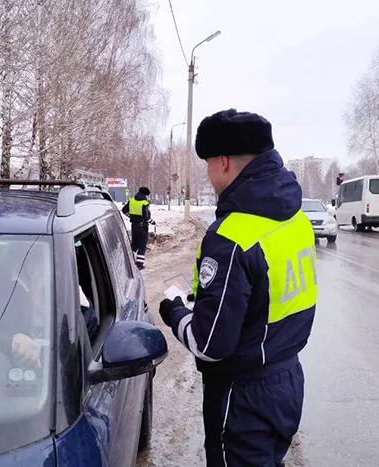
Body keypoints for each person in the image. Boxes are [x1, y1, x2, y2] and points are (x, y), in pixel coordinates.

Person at [158, 109, 317, 467]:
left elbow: (211, 345)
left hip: (243, 396)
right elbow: (268, 294)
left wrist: (176, 312)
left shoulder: (231, 237)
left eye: (209, 164)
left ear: (224, 162)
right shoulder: (295, 220)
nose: (209, 174)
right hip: (287, 379)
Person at [121, 187, 155, 270]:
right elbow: (147, 217)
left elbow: (124, 210)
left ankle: (129, 262)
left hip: (134, 226)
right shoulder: (144, 203)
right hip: (143, 227)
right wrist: (152, 222)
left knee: (134, 245)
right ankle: (139, 265)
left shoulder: (131, 200)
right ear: (145, 195)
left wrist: (131, 217)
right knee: (142, 246)